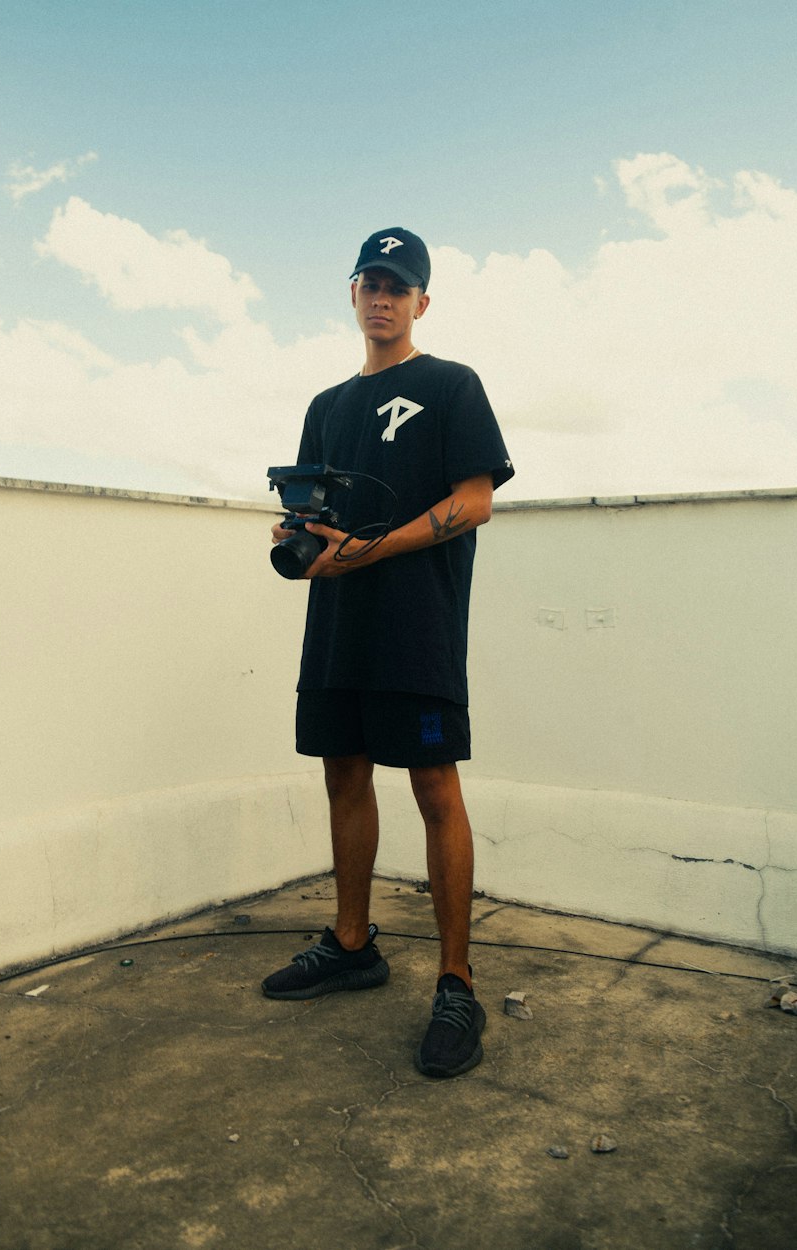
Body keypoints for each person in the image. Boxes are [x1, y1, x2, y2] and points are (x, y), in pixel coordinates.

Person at [262, 228, 514, 1078]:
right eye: (370, 282)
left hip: (417, 624)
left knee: (435, 788)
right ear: (355, 294)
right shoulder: (327, 405)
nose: (382, 297)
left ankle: (456, 982)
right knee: (343, 773)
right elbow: (311, 505)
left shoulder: (450, 385)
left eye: (398, 286)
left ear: (421, 303)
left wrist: (371, 549)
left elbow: (475, 501)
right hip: (339, 624)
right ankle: (352, 942)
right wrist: (300, 537)